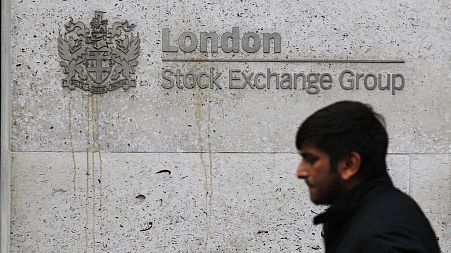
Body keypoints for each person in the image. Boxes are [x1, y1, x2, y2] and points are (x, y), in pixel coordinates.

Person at [295, 100, 441, 253]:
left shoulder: (385, 232)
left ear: (349, 165)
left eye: (311, 159)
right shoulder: (360, 218)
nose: (300, 172)